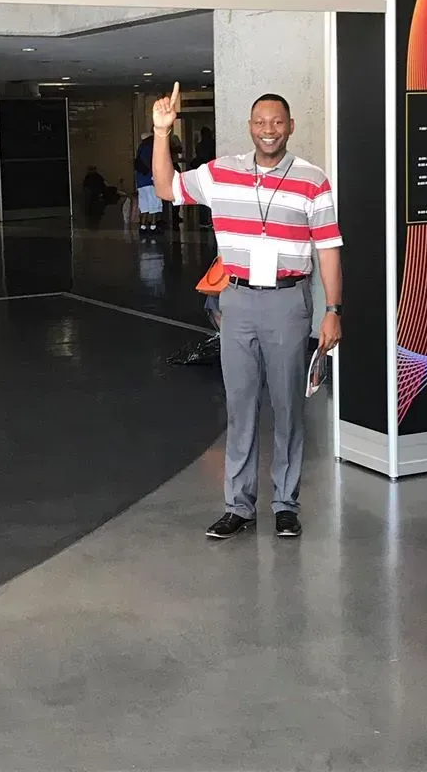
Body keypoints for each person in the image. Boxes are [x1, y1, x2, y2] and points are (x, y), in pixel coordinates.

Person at [153, 83, 342, 540]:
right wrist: (161, 133)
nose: (268, 130)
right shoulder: (221, 173)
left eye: (276, 122)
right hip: (236, 301)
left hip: (288, 301)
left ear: (290, 127)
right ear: (249, 127)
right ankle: (238, 506)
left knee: (288, 406)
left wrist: (332, 309)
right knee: (240, 407)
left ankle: (285, 505)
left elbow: (329, 249)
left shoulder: (313, 179)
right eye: (260, 122)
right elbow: (165, 187)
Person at [134, 133, 162, 233]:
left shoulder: (140, 149)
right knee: (154, 204)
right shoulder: (149, 148)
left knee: (144, 205)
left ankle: (143, 226)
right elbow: (153, 163)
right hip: (150, 180)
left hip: (141, 182)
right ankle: (153, 225)